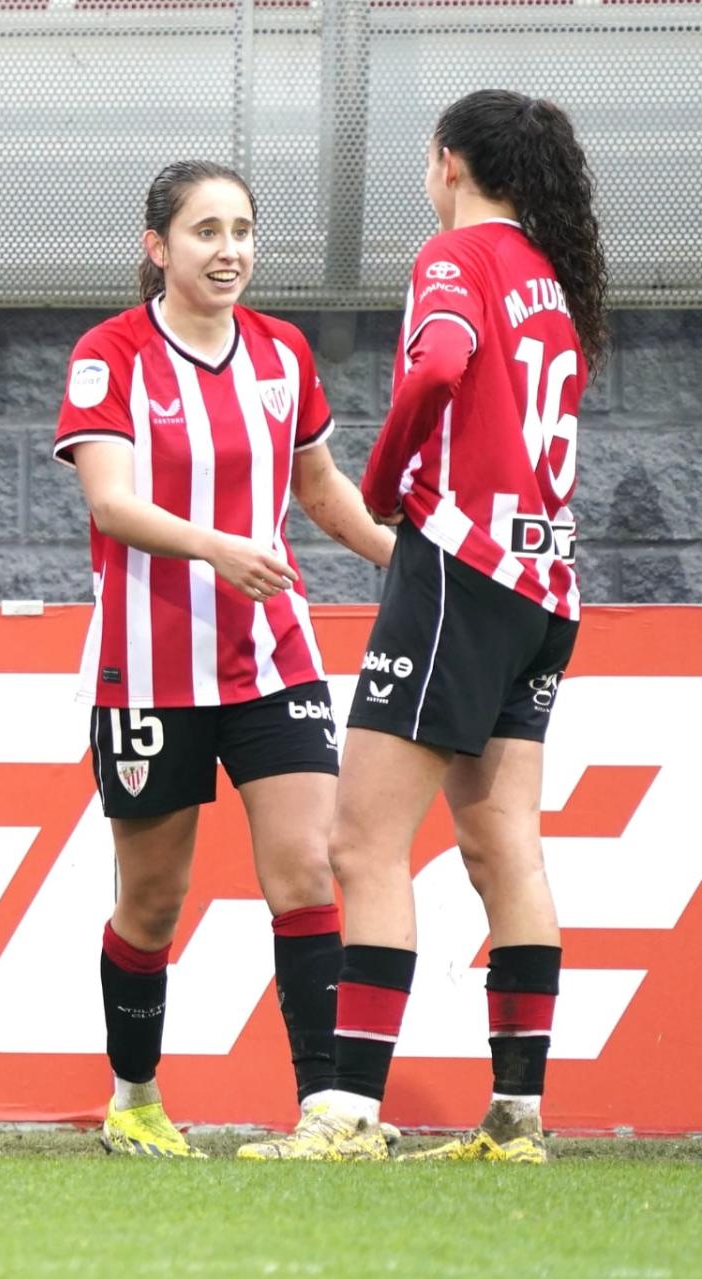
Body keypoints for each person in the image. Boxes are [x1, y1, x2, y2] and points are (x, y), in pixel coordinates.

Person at [257, 91, 604, 1163]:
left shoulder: (456, 257)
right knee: (506, 845)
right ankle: (518, 1118)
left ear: (448, 162)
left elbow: (440, 364)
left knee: (362, 841)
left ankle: (348, 1113)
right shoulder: (550, 280)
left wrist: (384, 475)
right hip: (546, 586)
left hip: (462, 570)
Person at [52, 160, 394, 1160]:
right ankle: (136, 1100)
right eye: (206, 231)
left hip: (272, 658)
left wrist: (407, 564)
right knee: (152, 901)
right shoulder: (109, 354)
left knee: (308, 869)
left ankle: (331, 1114)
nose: (230, 250)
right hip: (148, 668)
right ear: (157, 246)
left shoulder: (283, 353)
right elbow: (110, 503)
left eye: (242, 229)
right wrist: (216, 544)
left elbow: (321, 488)